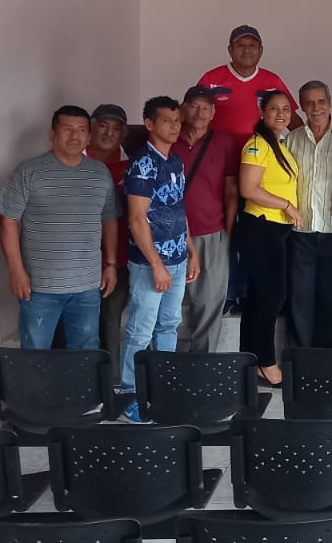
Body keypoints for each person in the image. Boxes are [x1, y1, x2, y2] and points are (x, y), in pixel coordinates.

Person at [0, 105, 119, 351]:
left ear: (89, 136)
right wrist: (16, 271)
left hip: (87, 286)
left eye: (81, 130)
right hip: (39, 287)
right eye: (67, 129)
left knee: (86, 352)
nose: (74, 136)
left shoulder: (100, 173)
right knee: (36, 353)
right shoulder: (28, 171)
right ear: (52, 134)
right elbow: (8, 221)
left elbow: (110, 221)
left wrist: (111, 265)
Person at [198, 24, 298, 312]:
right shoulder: (212, 79)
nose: (246, 50)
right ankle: (228, 292)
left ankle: (247, 293)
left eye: (252, 45)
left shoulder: (272, 81)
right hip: (219, 173)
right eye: (240, 45)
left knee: (253, 237)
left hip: (261, 176)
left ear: (261, 50)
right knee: (226, 232)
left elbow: (293, 121)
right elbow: (191, 114)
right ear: (230, 50)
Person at [119, 96, 199, 423]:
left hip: (177, 259)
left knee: (169, 325)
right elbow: (137, 219)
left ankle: (164, 387)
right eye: (167, 120)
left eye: (177, 120)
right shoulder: (142, 165)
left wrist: (191, 250)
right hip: (149, 264)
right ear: (150, 124)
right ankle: (130, 395)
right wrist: (156, 264)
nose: (174, 126)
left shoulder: (175, 162)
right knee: (141, 329)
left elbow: (178, 209)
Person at [235, 89, 301, 387]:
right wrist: (287, 205)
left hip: (275, 229)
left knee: (260, 296)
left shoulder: (279, 144)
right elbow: (248, 189)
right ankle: (266, 362)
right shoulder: (257, 145)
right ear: (262, 113)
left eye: (286, 109)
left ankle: (249, 360)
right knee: (272, 296)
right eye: (274, 108)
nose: (281, 114)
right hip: (261, 227)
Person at [286, 81, 332, 349]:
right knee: (299, 298)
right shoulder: (291, 140)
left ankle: (325, 356)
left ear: (330, 103)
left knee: (331, 298)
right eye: (309, 103)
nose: (316, 108)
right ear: (302, 107)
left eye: (321, 102)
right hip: (300, 233)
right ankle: (300, 357)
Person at [174, 85, 238, 352]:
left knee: (210, 305)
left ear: (213, 113)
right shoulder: (168, 140)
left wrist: (227, 234)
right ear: (182, 109)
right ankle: (164, 364)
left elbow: (231, 191)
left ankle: (202, 366)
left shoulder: (224, 143)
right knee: (165, 307)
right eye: (193, 106)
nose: (199, 113)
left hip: (212, 233)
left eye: (205, 108)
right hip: (170, 234)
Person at [87, 103, 131, 355]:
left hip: (119, 260)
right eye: (103, 126)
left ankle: (110, 374)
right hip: (79, 260)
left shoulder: (132, 166)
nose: (109, 133)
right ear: (91, 128)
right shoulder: (74, 161)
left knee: (109, 318)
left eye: (116, 128)